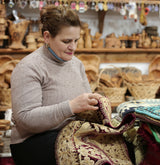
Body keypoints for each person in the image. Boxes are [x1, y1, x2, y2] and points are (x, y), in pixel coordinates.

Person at [10, 5, 101, 165]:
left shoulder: (77, 64)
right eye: (66, 41)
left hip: (69, 134)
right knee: (89, 157)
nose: (73, 47)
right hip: (32, 142)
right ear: (47, 37)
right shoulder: (29, 67)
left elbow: (85, 108)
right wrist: (71, 107)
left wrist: (96, 104)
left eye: (76, 40)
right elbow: (25, 119)